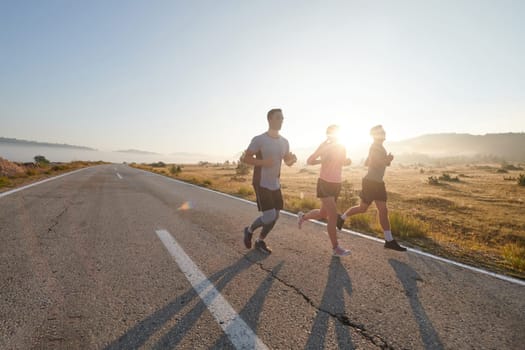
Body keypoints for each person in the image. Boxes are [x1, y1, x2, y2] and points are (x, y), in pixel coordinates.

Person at [337, 125, 407, 251]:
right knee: (363, 209)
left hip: (378, 183)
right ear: (376, 135)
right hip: (371, 182)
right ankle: (341, 218)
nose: (384, 133)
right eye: (382, 132)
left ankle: (389, 240)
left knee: (383, 210)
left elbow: (368, 162)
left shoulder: (379, 147)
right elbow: (375, 162)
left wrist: (386, 160)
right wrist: (386, 159)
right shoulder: (375, 146)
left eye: (384, 132)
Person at [242, 108, 297, 254]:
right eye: (278, 118)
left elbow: (287, 161)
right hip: (261, 182)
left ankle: (260, 241)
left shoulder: (285, 142)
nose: (281, 121)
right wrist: (263, 162)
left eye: (282, 118)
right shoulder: (259, 139)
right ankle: (249, 230)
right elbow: (246, 158)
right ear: (270, 119)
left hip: (275, 183)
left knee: (275, 216)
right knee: (270, 216)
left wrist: (292, 160)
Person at [297, 125, 352, 257]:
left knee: (323, 213)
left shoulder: (341, 146)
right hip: (324, 183)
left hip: (336, 184)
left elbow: (341, 162)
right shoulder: (324, 146)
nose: (333, 136)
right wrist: (322, 159)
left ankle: (303, 217)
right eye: (330, 133)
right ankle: (336, 248)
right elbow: (309, 161)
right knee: (332, 215)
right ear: (327, 134)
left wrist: (347, 162)